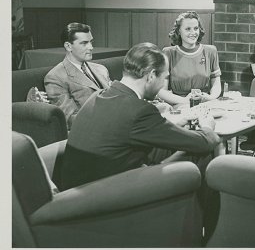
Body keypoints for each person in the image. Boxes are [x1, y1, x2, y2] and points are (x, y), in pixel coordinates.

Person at [55, 42, 221, 191]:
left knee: (169, 149)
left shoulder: (99, 95)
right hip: (105, 194)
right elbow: (204, 142)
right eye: (163, 79)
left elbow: (127, 129)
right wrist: (207, 126)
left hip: (79, 186)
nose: (161, 86)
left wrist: (176, 123)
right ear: (150, 75)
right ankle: (205, 223)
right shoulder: (140, 110)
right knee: (201, 153)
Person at [44, 22, 111, 128]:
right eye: (84, 43)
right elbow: (70, 118)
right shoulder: (56, 77)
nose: (91, 47)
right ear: (68, 46)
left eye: (91, 42)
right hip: (92, 129)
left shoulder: (101, 69)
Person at [158, 11, 222, 107]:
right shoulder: (168, 53)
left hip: (205, 103)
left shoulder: (210, 51)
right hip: (178, 104)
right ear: (179, 31)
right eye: (188, 29)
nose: (193, 33)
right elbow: (161, 91)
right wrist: (184, 101)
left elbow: (216, 84)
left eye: (196, 28)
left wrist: (210, 97)